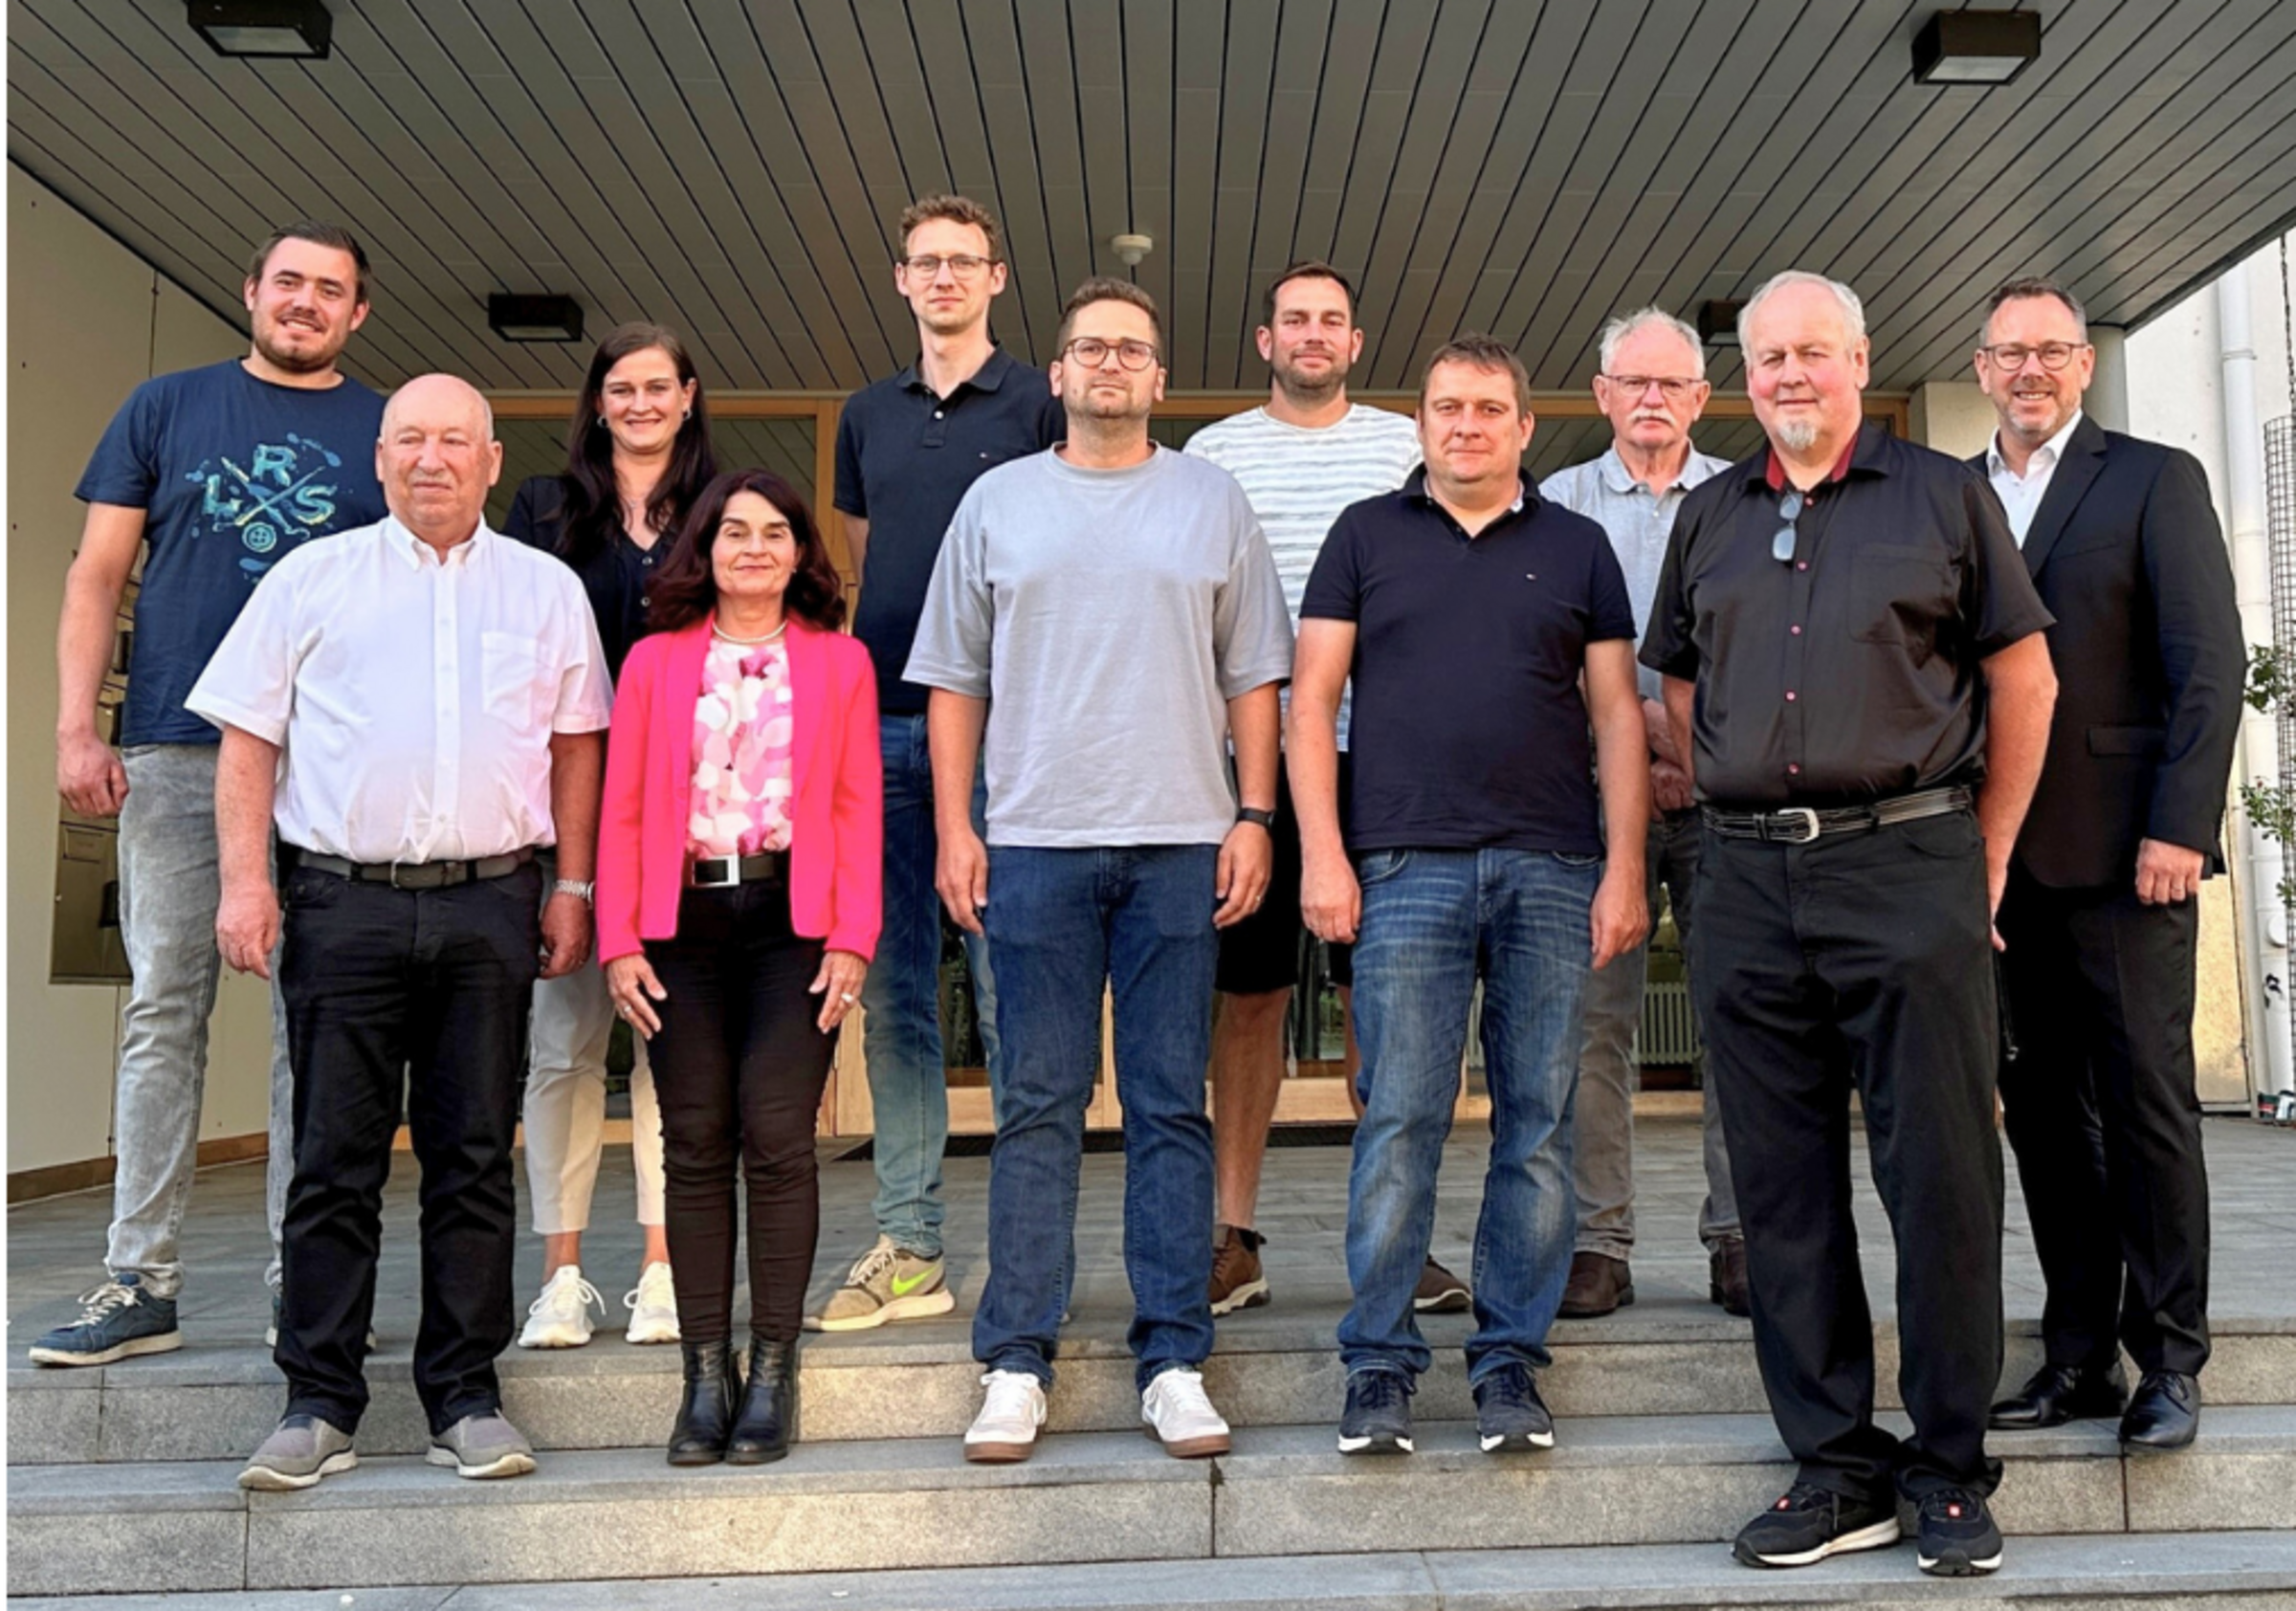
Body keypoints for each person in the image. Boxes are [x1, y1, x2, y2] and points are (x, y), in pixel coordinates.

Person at [1642, 271, 2058, 1578]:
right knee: (1780, 1192)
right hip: (1748, 884)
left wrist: (1982, 858)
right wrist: (1727, 802)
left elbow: (2024, 677)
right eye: (1768, 360)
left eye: (1812, 354)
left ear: (1859, 361)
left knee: (1938, 1175)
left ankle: (1945, 1470)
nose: (1790, 377)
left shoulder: (1946, 498)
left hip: (1909, 862)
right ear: (1745, 380)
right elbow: (1676, 692)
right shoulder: (1709, 515)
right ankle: (1834, 1467)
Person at [194, 375, 611, 1490]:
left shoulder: (547, 591)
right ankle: (319, 1399)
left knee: (473, 1154)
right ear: (379, 459)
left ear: (489, 461)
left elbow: (578, 748)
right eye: (412, 440)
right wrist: (247, 886)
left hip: (491, 902)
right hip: (343, 902)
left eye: (456, 442)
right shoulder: (309, 579)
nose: (433, 459)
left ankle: (464, 1395)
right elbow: (248, 746)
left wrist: (571, 885)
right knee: (333, 1158)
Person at [907, 276, 1293, 1464]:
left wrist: (1255, 815)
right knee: (1036, 1102)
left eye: (1134, 348)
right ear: (1059, 374)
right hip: (1031, 841)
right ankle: (1015, 1358)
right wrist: (956, 830)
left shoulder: (1211, 500)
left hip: (1182, 840)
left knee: (1171, 1102)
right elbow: (953, 681)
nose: (1111, 365)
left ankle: (1174, 1354)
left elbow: (1254, 679)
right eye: (1089, 349)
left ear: (1159, 378)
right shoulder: (996, 501)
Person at [33, 223, 387, 1369]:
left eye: (329, 291)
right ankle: (139, 1276)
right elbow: (96, 573)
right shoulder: (164, 407)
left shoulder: (383, 431)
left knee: (314, 1027)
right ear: (251, 293)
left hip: (325, 764)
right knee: (161, 1012)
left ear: (357, 315)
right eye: (289, 283)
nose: (305, 302)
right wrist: (77, 722)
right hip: (178, 750)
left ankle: (305, 1273)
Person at [1296, 334, 1649, 1459]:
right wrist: (1322, 853)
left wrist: (1625, 866)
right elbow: (1310, 706)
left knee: (1537, 1124)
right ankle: (1379, 1364)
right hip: (1405, 866)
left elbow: (1615, 717)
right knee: (1400, 1116)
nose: (1466, 425)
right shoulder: (1364, 537)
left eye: (1489, 408)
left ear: (1525, 426)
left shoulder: (1581, 547)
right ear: (1420, 424)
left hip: (1552, 867)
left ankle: (1508, 1364)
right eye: (1447, 407)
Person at [1971, 277, 2242, 1453]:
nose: (2029, 370)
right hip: (1996, 868)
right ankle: (2077, 1349)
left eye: (2051, 351)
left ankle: (2171, 1356)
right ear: (1979, 369)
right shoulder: (1951, 494)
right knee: (2039, 1116)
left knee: (2145, 1110)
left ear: (2083, 365)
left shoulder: (2151, 479)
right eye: (2007, 352)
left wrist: (2180, 827)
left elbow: (2208, 661)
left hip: (2133, 859)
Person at [1181, 262, 1460, 1319]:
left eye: (1330, 322)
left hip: (1380, 763)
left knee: (1379, 999)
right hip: (1249, 765)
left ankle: (1396, 1245)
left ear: (1354, 342)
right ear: (1265, 341)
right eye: (1293, 320)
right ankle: (1233, 1236)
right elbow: (1198, 602)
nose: (1311, 335)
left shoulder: (1404, 445)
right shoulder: (1216, 454)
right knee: (1248, 996)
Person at [598, 468, 881, 1466]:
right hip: (680, 923)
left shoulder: (840, 663)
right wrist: (619, 937)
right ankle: (703, 1374)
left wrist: (853, 933)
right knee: (694, 1138)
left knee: (777, 1135)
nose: (753, 548)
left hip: (794, 924)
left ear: (801, 552)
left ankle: (773, 1370)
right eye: (733, 533)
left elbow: (854, 805)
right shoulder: (653, 663)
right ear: (704, 551)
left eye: (773, 532)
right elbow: (623, 804)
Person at [817, 194, 1062, 1331]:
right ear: (903, 279)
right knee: (898, 991)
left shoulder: (1039, 403)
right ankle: (911, 1243)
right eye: (929, 262)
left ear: (997, 278)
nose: (948, 277)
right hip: (886, 730)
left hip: (1010, 733)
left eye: (968, 260)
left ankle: (1022, 1249)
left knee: (1012, 988)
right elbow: (880, 564)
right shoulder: (865, 416)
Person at [503, 322, 720, 1351]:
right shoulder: (543, 510)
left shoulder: (723, 510)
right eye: (618, 388)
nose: (637, 402)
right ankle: (562, 1274)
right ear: (596, 402)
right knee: (562, 1043)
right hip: (563, 809)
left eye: (656, 386)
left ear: (687, 397)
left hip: (691, 809)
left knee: (670, 1048)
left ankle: (666, 1268)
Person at [1540, 308, 1745, 1320]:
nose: (1654, 399)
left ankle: (1743, 1235)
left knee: (1740, 1022)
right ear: (1603, 393)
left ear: (1702, 400)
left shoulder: (1751, 497)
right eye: (1636, 382)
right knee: (1592, 1026)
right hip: (1592, 797)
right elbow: (1546, 650)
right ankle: (1597, 1243)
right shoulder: (1556, 504)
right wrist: (1650, 745)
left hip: (1729, 797)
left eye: (1674, 384)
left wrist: (1694, 754)